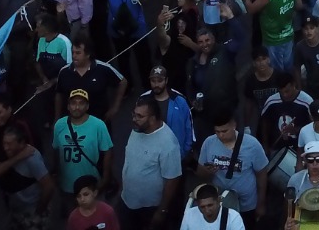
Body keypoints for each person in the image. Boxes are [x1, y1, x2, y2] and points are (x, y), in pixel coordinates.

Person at [119, 95, 183, 228]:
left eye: (139, 116)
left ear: (153, 119)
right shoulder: (138, 128)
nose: (134, 119)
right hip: (127, 200)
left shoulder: (168, 143)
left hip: (149, 208)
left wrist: (162, 211)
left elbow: (172, 180)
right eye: (134, 114)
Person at [196, 113, 269, 224]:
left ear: (234, 125)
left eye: (224, 131)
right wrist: (207, 172)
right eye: (217, 132)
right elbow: (200, 172)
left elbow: (262, 174)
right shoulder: (209, 143)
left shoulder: (252, 144)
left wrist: (261, 204)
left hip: (247, 206)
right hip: (220, 204)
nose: (220, 135)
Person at [51, 89, 114, 210]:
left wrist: (106, 178)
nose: (77, 107)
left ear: (87, 106)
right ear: (68, 106)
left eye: (81, 103)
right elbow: (56, 150)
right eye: (74, 103)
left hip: (90, 184)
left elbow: (107, 152)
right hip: (67, 185)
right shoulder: (59, 125)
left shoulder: (98, 125)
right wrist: (55, 173)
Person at [0, 124, 54, 230]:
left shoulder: (32, 159)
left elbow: (49, 186)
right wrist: (19, 157)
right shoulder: (9, 153)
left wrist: (39, 212)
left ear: (21, 143)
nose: (5, 147)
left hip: (31, 209)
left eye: (9, 144)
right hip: (16, 208)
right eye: (4, 143)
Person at [181, 182, 247, 230]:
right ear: (198, 204)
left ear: (219, 200)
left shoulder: (233, 217)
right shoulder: (189, 214)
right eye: (202, 207)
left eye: (210, 205)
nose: (206, 210)